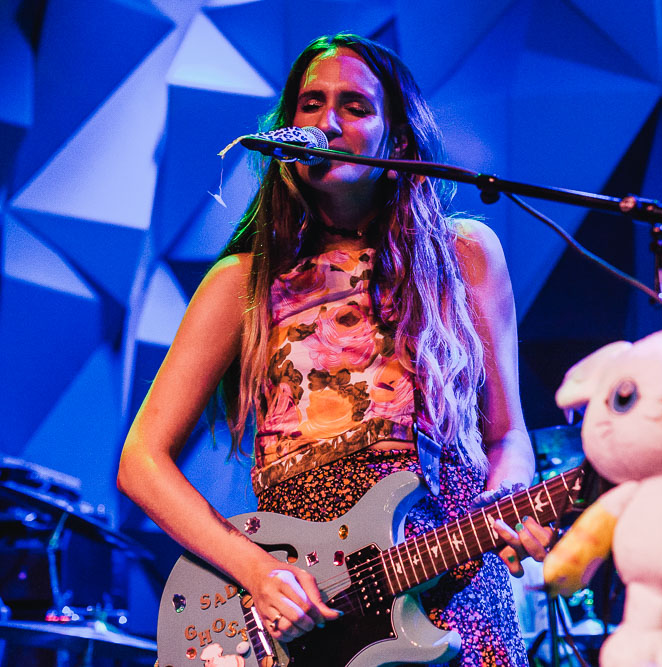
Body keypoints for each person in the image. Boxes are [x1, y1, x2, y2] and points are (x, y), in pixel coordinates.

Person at [117, 32, 550, 665]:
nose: (325, 121)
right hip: (306, 602)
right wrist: (256, 570)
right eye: (311, 104)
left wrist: (506, 502)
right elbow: (141, 459)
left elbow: (508, 435)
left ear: (396, 138)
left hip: (453, 580)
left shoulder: (465, 255)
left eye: (354, 106)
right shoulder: (245, 280)